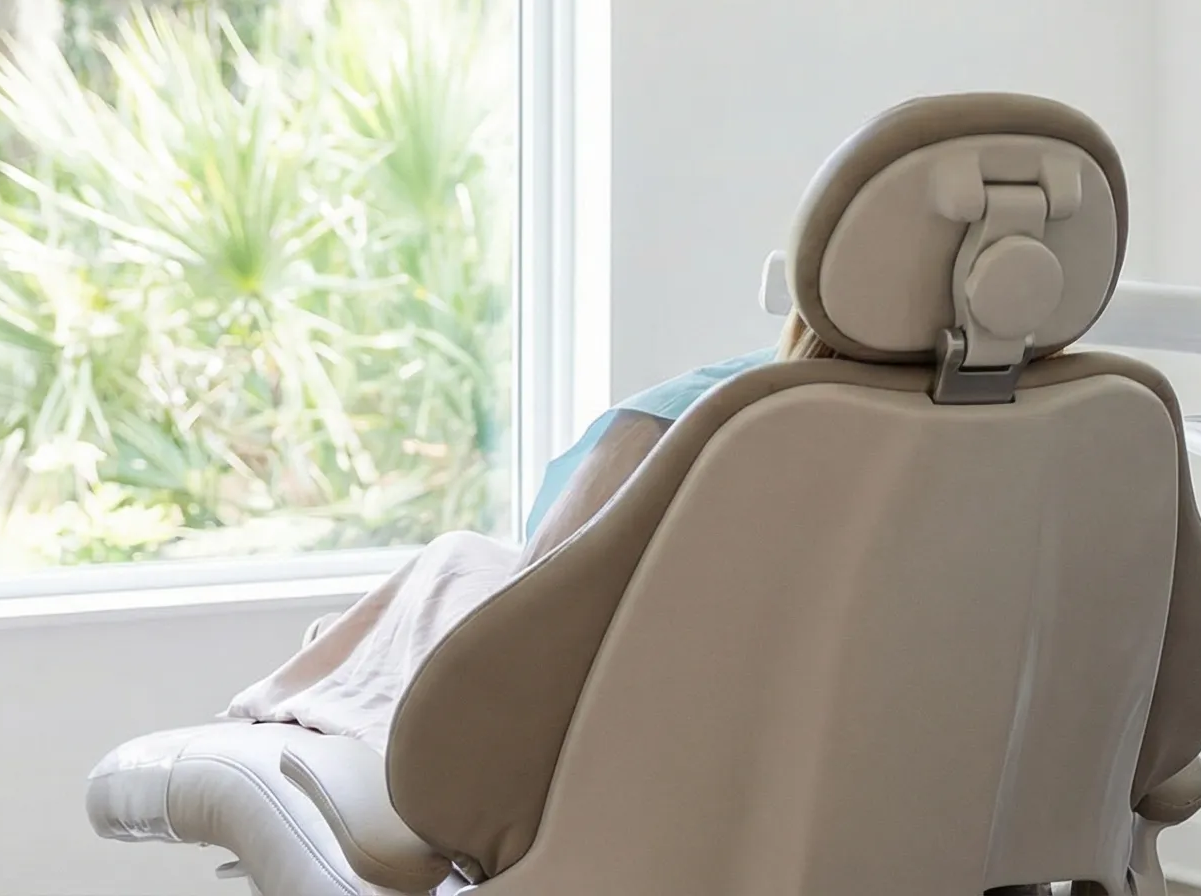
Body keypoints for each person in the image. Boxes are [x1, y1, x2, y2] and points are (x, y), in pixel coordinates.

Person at [223, 314, 832, 747]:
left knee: (457, 556)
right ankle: (351, 651)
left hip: (568, 721)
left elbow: (533, 614)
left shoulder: (705, 410)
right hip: (768, 736)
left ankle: (345, 658)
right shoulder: (914, 445)